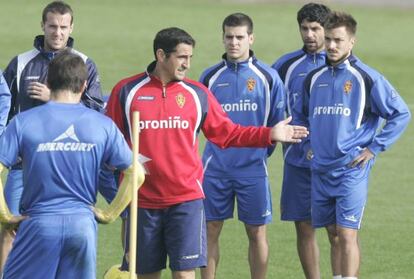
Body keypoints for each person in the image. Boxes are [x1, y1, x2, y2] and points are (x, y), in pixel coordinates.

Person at [105, 27, 308, 279]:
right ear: (161, 55)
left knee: (184, 274)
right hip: (142, 202)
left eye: (190, 57)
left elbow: (228, 133)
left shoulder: (196, 94)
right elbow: (108, 140)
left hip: (186, 201)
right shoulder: (127, 91)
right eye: (181, 57)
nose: (187, 64)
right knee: (147, 274)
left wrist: (268, 134)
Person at [0, 51, 144, 278]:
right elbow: (137, 174)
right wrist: (109, 214)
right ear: (85, 85)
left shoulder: (23, 122)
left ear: (47, 81)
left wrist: (5, 216)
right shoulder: (102, 125)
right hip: (83, 227)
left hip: (38, 226)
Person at [300, 11, 411, 279]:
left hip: (351, 169)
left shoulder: (366, 78)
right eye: (328, 40)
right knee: (333, 234)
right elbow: (302, 115)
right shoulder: (313, 79)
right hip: (321, 170)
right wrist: (308, 144)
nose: (332, 46)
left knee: (347, 233)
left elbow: (401, 113)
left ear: (352, 42)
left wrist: (374, 148)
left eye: (338, 40)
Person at [0, 0, 105, 271]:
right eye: (52, 26)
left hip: (68, 164)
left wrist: (55, 98)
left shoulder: (84, 64)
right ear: (42, 26)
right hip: (22, 167)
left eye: (63, 27)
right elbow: (5, 108)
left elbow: (95, 111)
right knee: (11, 227)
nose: (58, 33)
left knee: (64, 231)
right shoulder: (21, 63)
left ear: (72, 28)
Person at [199, 13, 285, 279]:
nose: (233, 43)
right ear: (222, 38)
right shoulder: (209, 77)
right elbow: (199, 121)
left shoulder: (268, 78)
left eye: (239, 37)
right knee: (210, 229)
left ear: (251, 38)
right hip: (215, 168)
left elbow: (277, 125)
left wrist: (259, 154)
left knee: (257, 231)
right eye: (228, 37)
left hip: (253, 169)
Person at [271, 4, 341, 279]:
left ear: (326, 29)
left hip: (332, 164)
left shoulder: (340, 64)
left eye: (315, 29)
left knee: (337, 231)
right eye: (305, 28)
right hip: (297, 161)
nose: (310, 35)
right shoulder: (285, 66)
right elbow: (273, 109)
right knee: (304, 226)